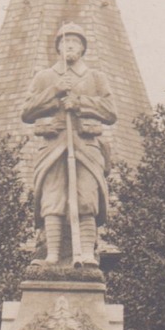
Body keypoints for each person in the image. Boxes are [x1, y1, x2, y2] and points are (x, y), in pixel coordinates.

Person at [22, 22, 117, 265]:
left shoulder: (96, 77)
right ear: (58, 47)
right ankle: (51, 255)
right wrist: (54, 91)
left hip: (85, 145)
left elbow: (109, 111)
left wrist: (80, 102)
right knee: (52, 199)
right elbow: (27, 110)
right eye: (65, 42)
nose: (70, 46)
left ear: (83, 47)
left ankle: (85, 254)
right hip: (53, 145)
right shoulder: (45, 77)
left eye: (75, 42)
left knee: (86, 197)